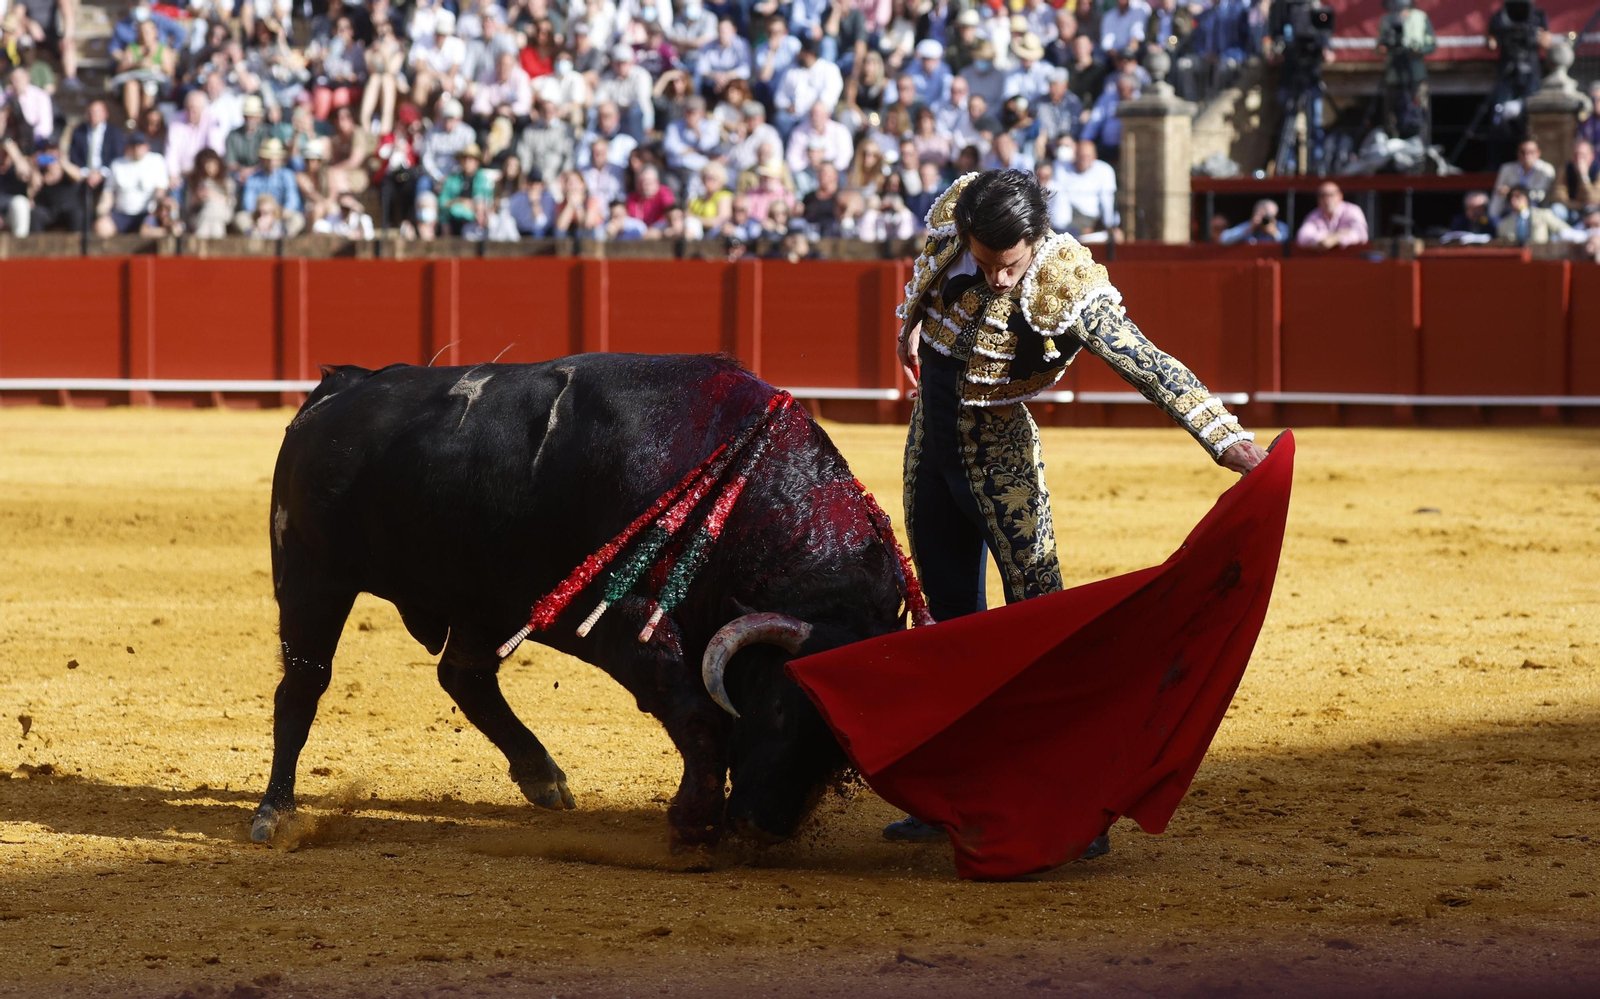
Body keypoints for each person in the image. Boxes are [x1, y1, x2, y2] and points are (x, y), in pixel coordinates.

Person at [886, 169, 1263, 849]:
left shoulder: (1067, 282)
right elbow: (924, 274)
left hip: (999, 454)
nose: (998, 279)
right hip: (929, 445)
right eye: (984, 261)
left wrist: (1223, 435)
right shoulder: (956, 217)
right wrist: (914, 327)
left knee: (1042, 627)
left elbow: (1146, 361)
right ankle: (950, 796)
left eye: (1010, 264)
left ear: (1034, 239)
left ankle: (1073, 805)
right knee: (945, 624)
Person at [95, 131, 168, 236]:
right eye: (133, 145)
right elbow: (108, 193)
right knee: (102, 227)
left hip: (148, 213)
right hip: (121, 213)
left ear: (147, 146)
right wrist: (102, 211)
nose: (137, 148)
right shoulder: (117, 164)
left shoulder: (157, 161)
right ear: (128, 147)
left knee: (147, 231)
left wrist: (159, 209)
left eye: (140, 145)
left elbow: (161, 191)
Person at [236, 136, 304, 235]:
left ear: (280, 159)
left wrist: (276, 214)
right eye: (268, 158)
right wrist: (262, 214)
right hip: (258, 215)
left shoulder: (288, 175)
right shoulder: (252, 178)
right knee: (240, 218)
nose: (272, 161)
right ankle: (254, 239)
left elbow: (292, 201)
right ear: (262, 159)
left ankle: (285, 240)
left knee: (297, 219)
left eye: (274, 158)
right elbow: (248, 205)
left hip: (280, 215)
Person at [1295, 181, 1367, 248]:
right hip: (1323, 260)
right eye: (1323, 196)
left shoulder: (1352, 210)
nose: (1327, 199)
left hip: (1351, 260)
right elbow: (1302, 237)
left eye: (1331, 195)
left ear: (1340, 196)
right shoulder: (1314, 214)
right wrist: (1332, 236)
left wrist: (1337, 238)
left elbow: (1361, 235)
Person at [1495, 184, 1566, 245]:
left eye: (1518, 196)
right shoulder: (1504, 224)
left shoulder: (1542, 215)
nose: (1514, 200)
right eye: (1511, 198)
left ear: (1526, 198)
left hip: (1539, 256)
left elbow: (1563, 230)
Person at [1218, 198, 1286, 244]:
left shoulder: (1280, 227)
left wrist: (1274, 233)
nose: (1264, 219)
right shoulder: (1249, 226)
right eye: (1262, 215)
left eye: (1268, 216)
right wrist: (1249, 228)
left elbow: (1287, 243)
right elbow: (1223, 238)